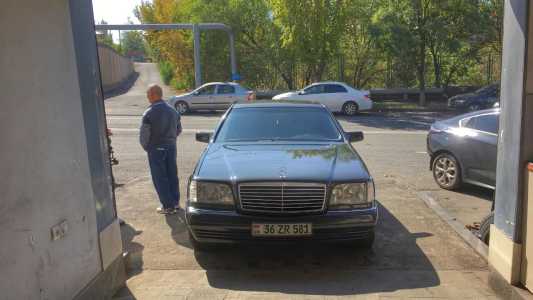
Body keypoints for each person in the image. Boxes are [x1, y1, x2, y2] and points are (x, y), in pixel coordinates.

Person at [140, 84, 182, 215]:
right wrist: (171, 140)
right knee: (172, 174)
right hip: (171, 146)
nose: (147, 97)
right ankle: (175, 203)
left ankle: (168, 206)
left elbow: (144, 135)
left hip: (155, 148)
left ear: (153, 95)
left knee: (160, 177)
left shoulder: (148, 113)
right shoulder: (173, 111)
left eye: (148, 94)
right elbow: (179, 129)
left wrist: (147, 147)